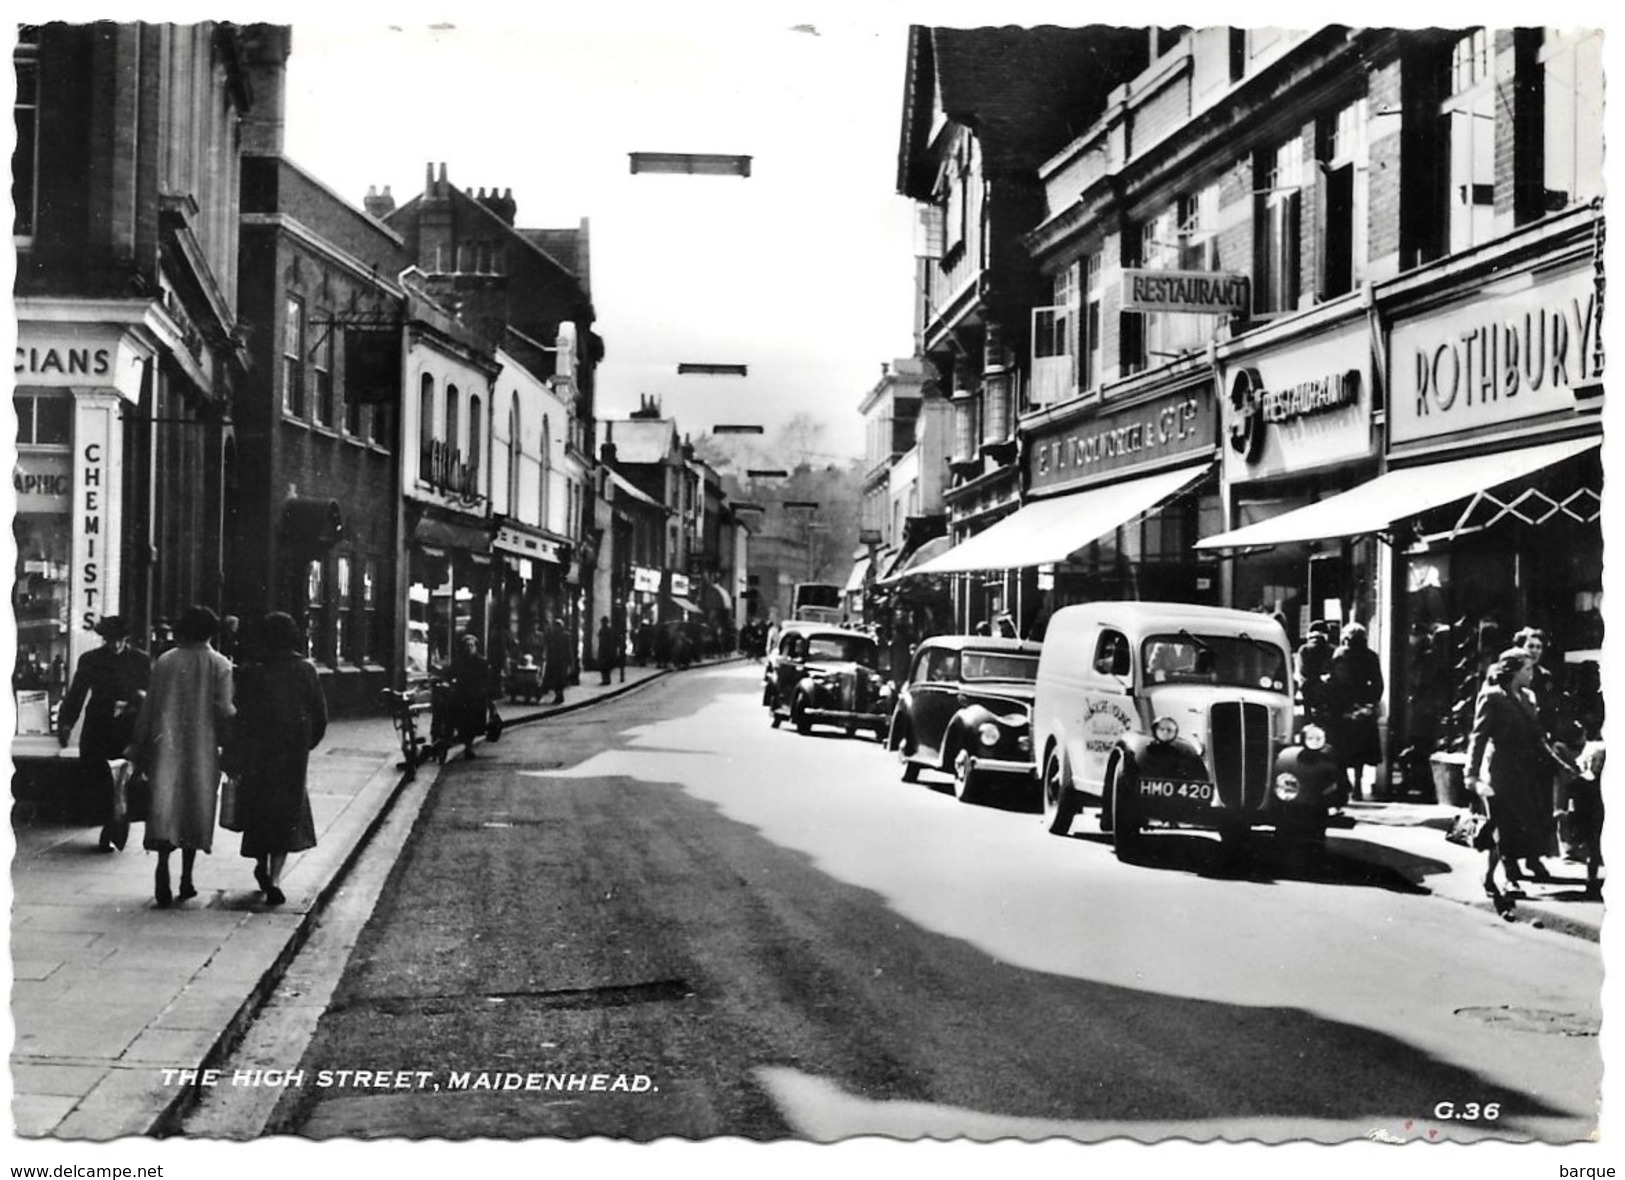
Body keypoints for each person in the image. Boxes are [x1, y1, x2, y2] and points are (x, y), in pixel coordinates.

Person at [126, 605, 235, 907]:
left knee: (165, 803)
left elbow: (149, 708)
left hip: (166, 745)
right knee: (195, 806)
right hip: (203, 746)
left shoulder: (165, 661)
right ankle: (187, 878)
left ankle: (162, 867)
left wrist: (139, 742)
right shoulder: (221, 665)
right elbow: (225, 711)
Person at [228, 613, 327, 907]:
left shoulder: (249, 671)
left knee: (258, 811)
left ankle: (260, 861)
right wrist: (305, 744)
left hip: (258, 754)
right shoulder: (305, 670)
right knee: (286, 815)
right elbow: (319, 716)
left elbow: (239, 715)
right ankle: (275, 878)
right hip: (291, 755)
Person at [1467, 647, 1567, 909]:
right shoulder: (1492, 697)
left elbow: (1537, 737)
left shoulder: (1527, 697)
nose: (1531, 674)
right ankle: (1510, 879)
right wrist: (1472, 775)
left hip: (1525, 771)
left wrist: (1561, 764)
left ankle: (1488, 876)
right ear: (1512, 671)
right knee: (1504, 825)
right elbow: (1478, 739)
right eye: (1527, 669)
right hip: (1500, 770)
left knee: (1516, 824)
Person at [56, 616, 151, 851]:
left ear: (126, 639)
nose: (115, 645)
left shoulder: (141, 660)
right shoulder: (91, 660)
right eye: (110, 641)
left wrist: (139, 705)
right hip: (98, 725)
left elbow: (150, 694)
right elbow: (78, 692)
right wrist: (66, 722)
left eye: (119, 641)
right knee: (100, 778)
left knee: (123, 780)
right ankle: (109, 826)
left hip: (127, 725)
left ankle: (115, 828)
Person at [1324, 622, 1383, 804]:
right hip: (1362, 706)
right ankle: (1357, 784)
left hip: (1341, 707)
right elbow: (1378, 684)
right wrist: (1370, 703)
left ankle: (1346, 782)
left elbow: (1333, 680)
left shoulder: (1340, 655)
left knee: (1341, 748)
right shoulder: (1371, 656)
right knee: (1361, 750)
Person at [443, 632, 492, 759]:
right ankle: (465, 745)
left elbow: (487, 679)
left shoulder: (481, 662)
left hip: (476, 697)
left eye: (472, 645)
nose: (469, 648)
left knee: (473, 724)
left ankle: (468, 747)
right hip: (461, 696)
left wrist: (484, 692)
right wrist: (450, 685)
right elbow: (449, 675)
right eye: (467, 645)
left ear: (476, 647)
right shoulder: (458, 662)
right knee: (461, 722)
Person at [1294, 621, 1335, 725]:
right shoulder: (1332, 650)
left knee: (1308, 719)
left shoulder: (1304, 649)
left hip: (1308, 688)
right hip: (1327, 689)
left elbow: (1302, 671)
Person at [542, 618, 572, 704]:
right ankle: (557, 694)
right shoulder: (552, 635)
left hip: (561, 660)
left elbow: (568, 649)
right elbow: (546, 642)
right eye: (555, 626)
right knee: (554, 679)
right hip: (553, 659)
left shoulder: (565, 636)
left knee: (560, 679)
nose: (556, 628)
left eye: (558, 626)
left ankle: (559, 695)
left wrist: (570, 662)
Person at [597, 616, 617, 686]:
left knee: (605, 666)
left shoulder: (605, 630)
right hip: (606, 650)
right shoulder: (607, 630)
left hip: (605, 650)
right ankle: (606, 679)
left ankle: (606, 679)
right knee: (605, 666)